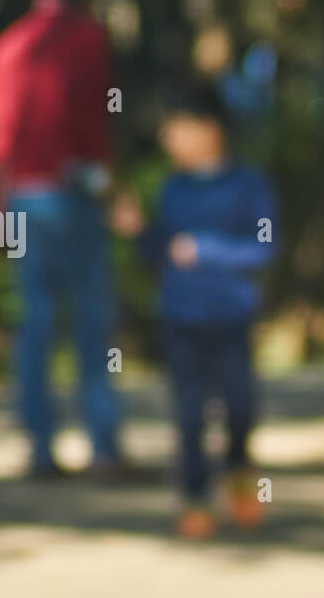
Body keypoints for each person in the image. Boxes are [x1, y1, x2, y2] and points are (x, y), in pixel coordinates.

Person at [0, 0, 131, 481]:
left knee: (34, 324)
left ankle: (40, 450)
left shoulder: (8, 44)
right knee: (91, 321)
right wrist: (110, 184)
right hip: (73, 194)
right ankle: (102, 447)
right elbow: (94, 124)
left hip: (23, 199)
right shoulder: (88, 38)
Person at [110, 81, 278, 539]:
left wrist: (205, 248)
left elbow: (263, 249)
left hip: (232, 316)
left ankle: (239, 474)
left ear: (210, 130)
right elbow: (161, 254)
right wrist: (138, 231)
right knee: (188, 414)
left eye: (177, 129)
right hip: (180, 317)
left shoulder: (248, 186)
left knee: (240, 407)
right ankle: (195, 497)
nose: (169, 140)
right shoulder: (172, 189)